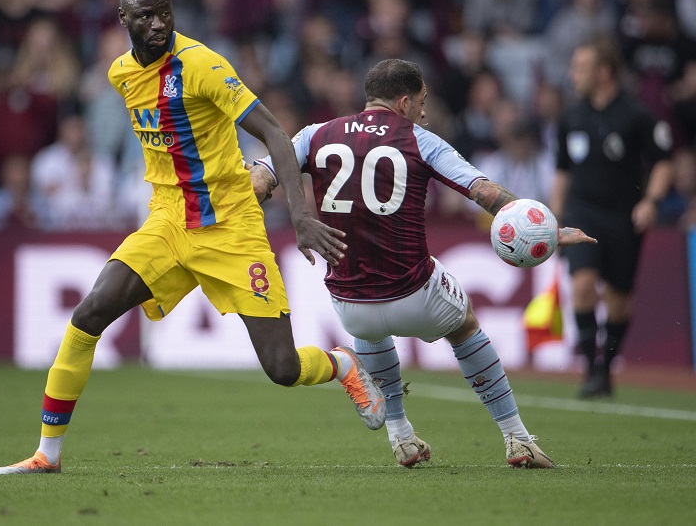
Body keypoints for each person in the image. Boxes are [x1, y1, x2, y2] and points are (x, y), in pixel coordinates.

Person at [0, 0, 385, 475]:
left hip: (232, 228)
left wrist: (301, 214)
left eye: (165, 12)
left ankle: (342, 364)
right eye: (145, 16)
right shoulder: (120, 74)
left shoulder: (202, 65)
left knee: (283, 369)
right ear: (123, 19)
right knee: (89, 313)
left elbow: (276, 135)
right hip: (167, 224)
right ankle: (48, 453)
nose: (157, 24)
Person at [249, 58, 597, 468]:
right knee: (464, 323)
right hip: (413, 292)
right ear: (403, 101)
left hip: (348, 303)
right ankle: (517, 439)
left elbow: (259, 180)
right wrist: (544, 229)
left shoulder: (315, 134)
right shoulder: (418, 139)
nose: (424, 111)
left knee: (372, 328)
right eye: (421, 101)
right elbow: (483, 193)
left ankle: (401, 437)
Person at [550, 36, 674, 398]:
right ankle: (591, 369)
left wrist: (650, 200)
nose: (573, 75)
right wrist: (555, 219)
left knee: (619, 300)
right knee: (583, 287)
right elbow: (561, 172)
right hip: (581, 213)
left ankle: (607, 367)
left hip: (622, 217)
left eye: (581, 68)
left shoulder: (636, 114)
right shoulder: (570, 116)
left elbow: (663, 161)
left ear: (604, 72)